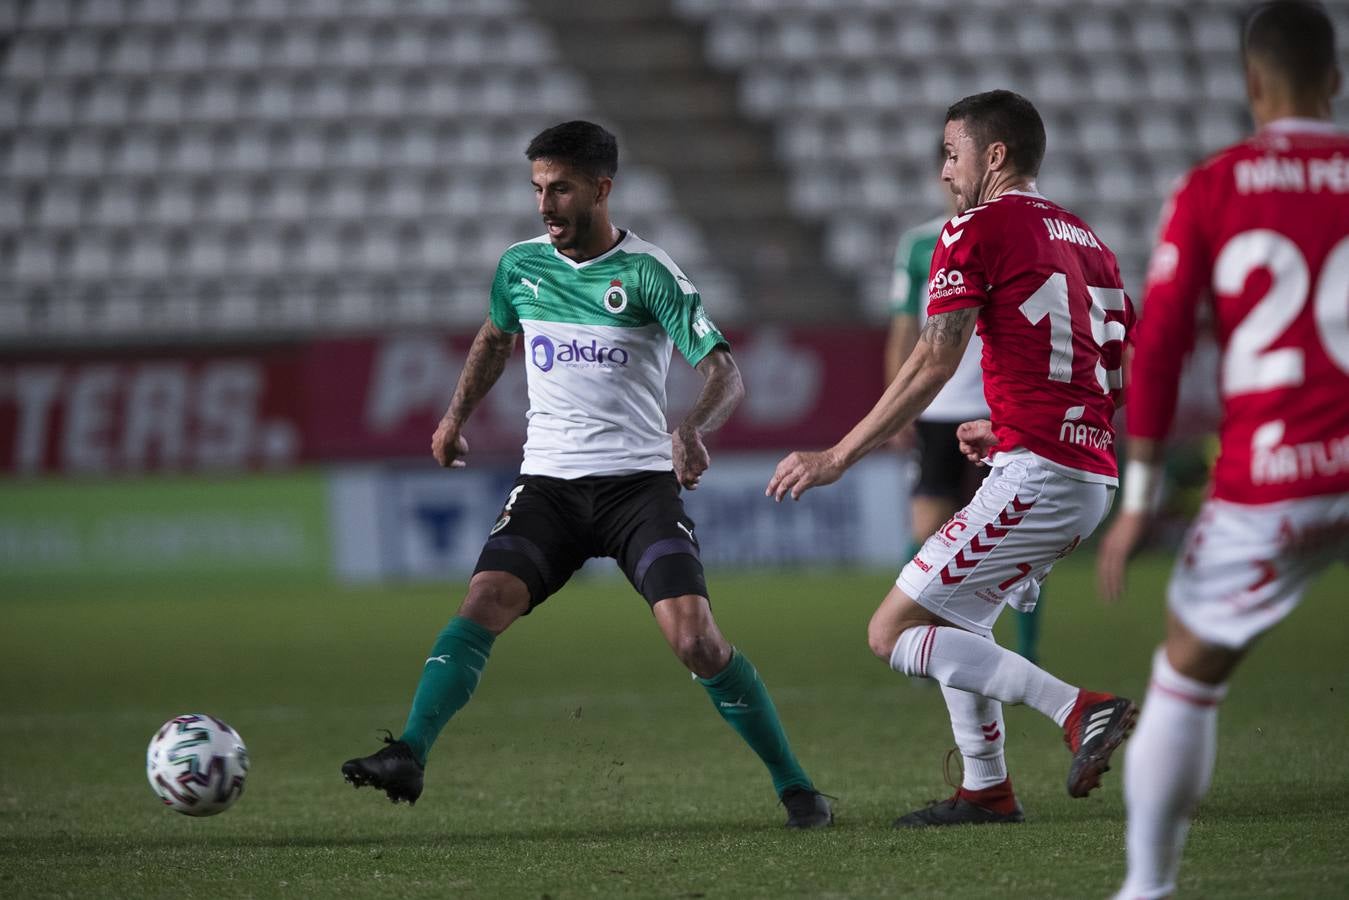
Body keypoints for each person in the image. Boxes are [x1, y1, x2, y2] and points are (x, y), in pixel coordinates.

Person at [342, 120, 832, 829]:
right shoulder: (519, 266)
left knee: (695, 640)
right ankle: (409, 753)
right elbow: (493, 337)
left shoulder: (647, 273)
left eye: (561, 188)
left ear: (601, 189)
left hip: (636, 489)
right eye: (538, 188)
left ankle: (796, 788)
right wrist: (453, 418)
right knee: (482, 601)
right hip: (548, 486)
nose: (545, 204)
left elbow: (725, 372)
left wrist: (692, 425)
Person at [767, 90, 1137, 826]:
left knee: (892, 632)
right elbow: (1110, 375)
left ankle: (1078, 709)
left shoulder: (972, 228)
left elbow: (932, 361)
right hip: (1077, 465)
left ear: (992, 156)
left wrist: (838, 454)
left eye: (950, 152)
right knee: (955, 622)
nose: (944, 172)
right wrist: (1009, 428)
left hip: (1044, 475)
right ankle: (986, 790)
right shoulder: (1090, 240)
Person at [1097, 4, 1348, 896]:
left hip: (1276, 476)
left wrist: (1137, 505)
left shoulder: (1212, 186)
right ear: (1334, 79)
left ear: (1250, 86)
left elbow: (1156, 346)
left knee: (1186, 671)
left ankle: (1147, 887)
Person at [887, 147, 1044, 664]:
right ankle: (923, 635)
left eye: (957, 161)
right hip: (936, 410)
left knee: (1013, 542)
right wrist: (900, 405)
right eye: (945, 166)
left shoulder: (1009, 235)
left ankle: (1025, 652)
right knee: (926, 530)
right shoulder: (918, 246)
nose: (949, 177)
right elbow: (905, 330)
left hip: (997, 410)